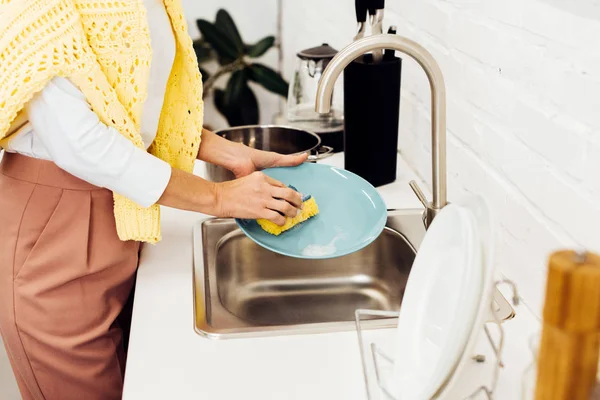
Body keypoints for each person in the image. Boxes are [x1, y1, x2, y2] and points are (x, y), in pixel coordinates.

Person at [0, 0, 305, 398]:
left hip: (121, 217)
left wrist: (227, 151)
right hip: (54, 235)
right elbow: (81, 143)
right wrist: (216, 197)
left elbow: (128, 109)